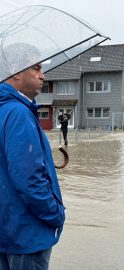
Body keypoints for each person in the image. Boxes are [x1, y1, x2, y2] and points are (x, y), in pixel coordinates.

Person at [0, 43, 65, 270]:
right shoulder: (18, 113)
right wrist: (56, 214)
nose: (42, 75)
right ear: (16, 71)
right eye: (36, 68)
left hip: (6, 230)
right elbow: (29, 180)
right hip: (26, 235)